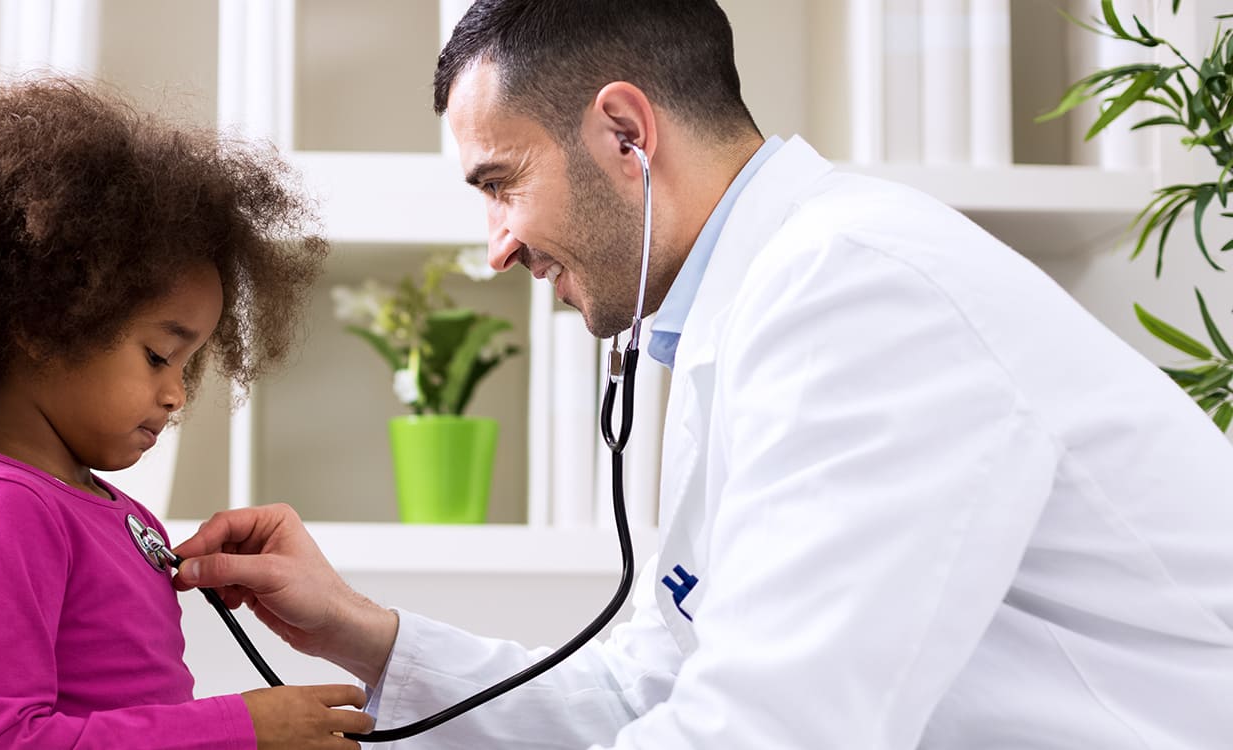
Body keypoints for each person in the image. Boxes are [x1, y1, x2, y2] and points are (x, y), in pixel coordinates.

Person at [169, 1, 1233, 747]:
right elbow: (654, 689)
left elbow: (771, 733)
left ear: (625, 132)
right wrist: (360, 633)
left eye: (500, 183)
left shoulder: (856, 292)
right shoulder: (746, 308)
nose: (494, 245)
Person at [0, 78, 373, 749]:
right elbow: (2, 740)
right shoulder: (1, 511)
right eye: (157, 356)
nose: (177, 394)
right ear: (44, 325)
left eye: (188, 364)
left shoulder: (117, 513)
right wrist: (243, 727)